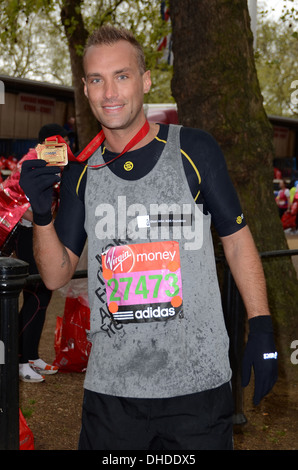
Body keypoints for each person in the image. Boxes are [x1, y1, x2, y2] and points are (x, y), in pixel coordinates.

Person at [19, 26, 278, 450]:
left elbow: (236, 238)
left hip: (196, 385)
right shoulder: (82, 172)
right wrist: (43, 213)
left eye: (121, 75)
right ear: (85, 88)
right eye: (97, 80)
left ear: (145, 80)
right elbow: (53, 275)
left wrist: (262, 326)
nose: (109, 92)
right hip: (112, 392)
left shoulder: (194, 149)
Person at [16, 124, 70, 382]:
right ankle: (20, 362)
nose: (64, 146)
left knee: (41, 299)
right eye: (59, 142)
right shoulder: (29, 164)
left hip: (43, 235)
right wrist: (43, 217)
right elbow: (16, 205)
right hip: (28, 236)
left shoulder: (52, 163)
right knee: (35, 297)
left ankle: (31, 355)